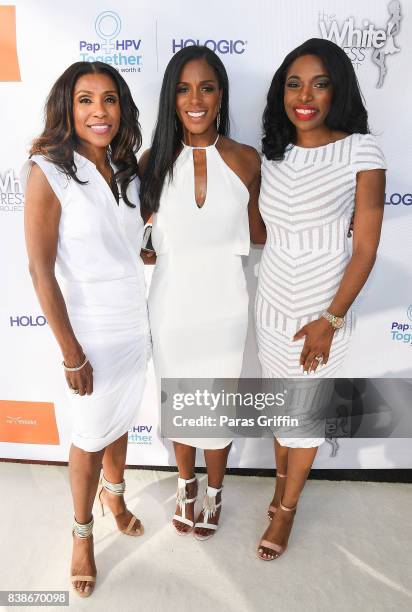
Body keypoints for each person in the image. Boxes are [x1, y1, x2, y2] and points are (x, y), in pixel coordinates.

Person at [251, 38, 386, 560]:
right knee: (281, 410)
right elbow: (267, 232)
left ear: (337, 90)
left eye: (319, 83)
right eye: (294, 83)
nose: (305, 95)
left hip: (322, 312)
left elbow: (367, 249)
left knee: (304, 418)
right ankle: (280, 481)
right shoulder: (274, 153)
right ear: (281, 92)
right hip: (271, 308)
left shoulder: (361, 150)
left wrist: (330, 319)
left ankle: (287, 510)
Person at [23, 61, 150, 596]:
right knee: (89, 435)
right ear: (67, 108)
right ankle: (81, 533)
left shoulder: (126, 170)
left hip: (134, 321)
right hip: (91, 327)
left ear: (122, 108)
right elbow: (39, 268)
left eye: (110, 100)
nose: (99, 112)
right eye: (85, 100)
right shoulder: (48, 169)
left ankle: (115, 494)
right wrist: (71, 352)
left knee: (119, 420)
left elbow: (134, 247)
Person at [139, 45, 260, 540]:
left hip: (226, 303)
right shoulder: (151, 160)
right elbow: (147, 236)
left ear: (220, 95)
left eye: (206, 88)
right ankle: (185, 487)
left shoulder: (246, 159)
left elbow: (258, 233)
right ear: (172, 98)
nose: (196, 99)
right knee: (180, 402)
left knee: (217, 403)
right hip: (171, 304)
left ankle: (215, 492)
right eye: (184, 89)